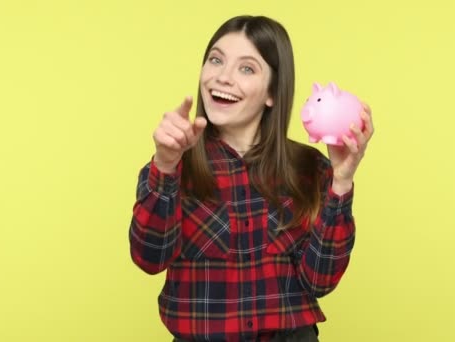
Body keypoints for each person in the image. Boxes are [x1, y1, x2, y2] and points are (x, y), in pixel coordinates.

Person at [129, 15, 374, 342]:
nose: (223, 77)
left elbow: (321, 281)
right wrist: (166, 165)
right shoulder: (172, 166)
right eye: (216, 60)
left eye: (246, 68)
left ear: (272, 92)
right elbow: (149, 258)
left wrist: (341, 183)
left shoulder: (309, 167)